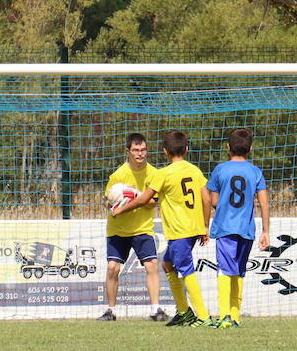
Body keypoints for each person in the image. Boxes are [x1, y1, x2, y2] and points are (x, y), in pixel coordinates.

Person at [113, 130, 212, 326]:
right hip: (192, 229)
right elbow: (207, 199)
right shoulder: (195, 170)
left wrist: (121, 209)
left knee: (186, 269)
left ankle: (203, 316)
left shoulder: (163, 174)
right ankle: (184, 312)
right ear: (186, 149)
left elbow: (144, 199)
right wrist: (205, 226)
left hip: (179, 231)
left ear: (165, 151)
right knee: (167, 264)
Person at [97, 132, 168, 321]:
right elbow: (107, 203)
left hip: (142, 228)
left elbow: (153, 202)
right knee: (112, 267)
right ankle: (111, 311)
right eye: (136, 150)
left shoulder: (154, 173)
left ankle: (155, 309)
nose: (140, 154)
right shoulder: (118, 176)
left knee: (151, 265)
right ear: (128, 151)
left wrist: (135, 194)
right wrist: (116, 202)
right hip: (118, 229)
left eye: (143, 150)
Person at [204, 127, 269, 328]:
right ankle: (235, 316)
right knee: (239, 271)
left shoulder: (220, 170)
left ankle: (224, 316)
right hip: (246, 229)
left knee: (224, 271)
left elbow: (212, 199)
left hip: (225, 227)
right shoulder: (255, 171)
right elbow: (264, 202)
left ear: (227, 147)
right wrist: (266, 231)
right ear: (250, 148)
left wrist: (209, 221)